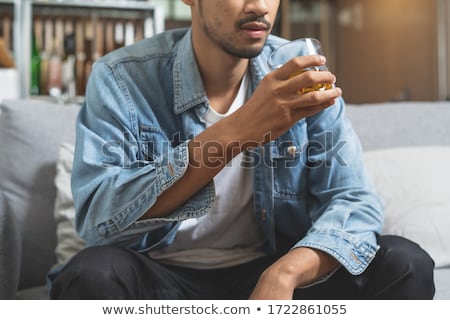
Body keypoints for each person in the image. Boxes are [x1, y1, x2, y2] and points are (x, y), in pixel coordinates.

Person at [49, 0, 435, 300]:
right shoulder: (123, 78)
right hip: (159, 277)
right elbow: (99, 221)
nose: (259, 6)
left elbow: (353, 201)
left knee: (405, 263)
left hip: (271, 270)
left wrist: (284, 275)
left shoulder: (297, 70)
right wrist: (240, 129)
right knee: (91, 274)